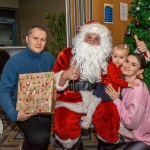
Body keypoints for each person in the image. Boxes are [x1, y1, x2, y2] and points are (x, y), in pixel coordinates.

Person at [52, 21, 121, 150]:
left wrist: (143, 53)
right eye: (89, 38)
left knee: (110, 118)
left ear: (103, 42)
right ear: (82, 38)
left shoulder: (108, 58)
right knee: (63, 124)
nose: (92, 42)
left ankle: (106, 146)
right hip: (71, 96)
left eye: (96, 39)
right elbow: (53, 80)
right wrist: (65, 75)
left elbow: (126, 66)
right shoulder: (66, 54)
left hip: (98, 97)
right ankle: (74, 146)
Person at [0, 26, 55, 150]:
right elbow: (3, 91)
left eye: (43, 39)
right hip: (23, 110)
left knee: (43, 139)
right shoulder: (14, 62)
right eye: (35, 38)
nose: (39, 42)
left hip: (44, 108)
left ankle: (26, 145)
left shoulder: (49, 58)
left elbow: (55, 78)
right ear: (27, 39)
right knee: (39, 138)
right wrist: (13, 114)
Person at [106, 53, 150, 150]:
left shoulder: (137, 89)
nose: (127, 65)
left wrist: (116, 100)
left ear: (140, 71)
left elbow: (131, 123)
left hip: (142, 137)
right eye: (127, 61)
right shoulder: (123, 82)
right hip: (128, 134)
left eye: (133, 65)